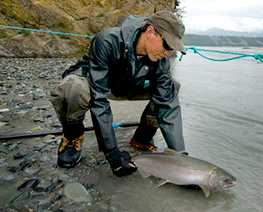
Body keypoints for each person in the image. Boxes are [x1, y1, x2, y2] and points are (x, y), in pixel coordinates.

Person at [50, 10, 187, 177]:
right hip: (98, 84)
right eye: (167, 46)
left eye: (172, 50)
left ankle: (142, 139)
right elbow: (98, 98)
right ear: (150, 31)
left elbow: (167, 104)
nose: (168, 53)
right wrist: (111, 152)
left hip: (131, 86)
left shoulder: (161, 60)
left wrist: (182, 158)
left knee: (172, 86)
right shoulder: (107, 40)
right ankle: (72, 136)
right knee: (72, 88)